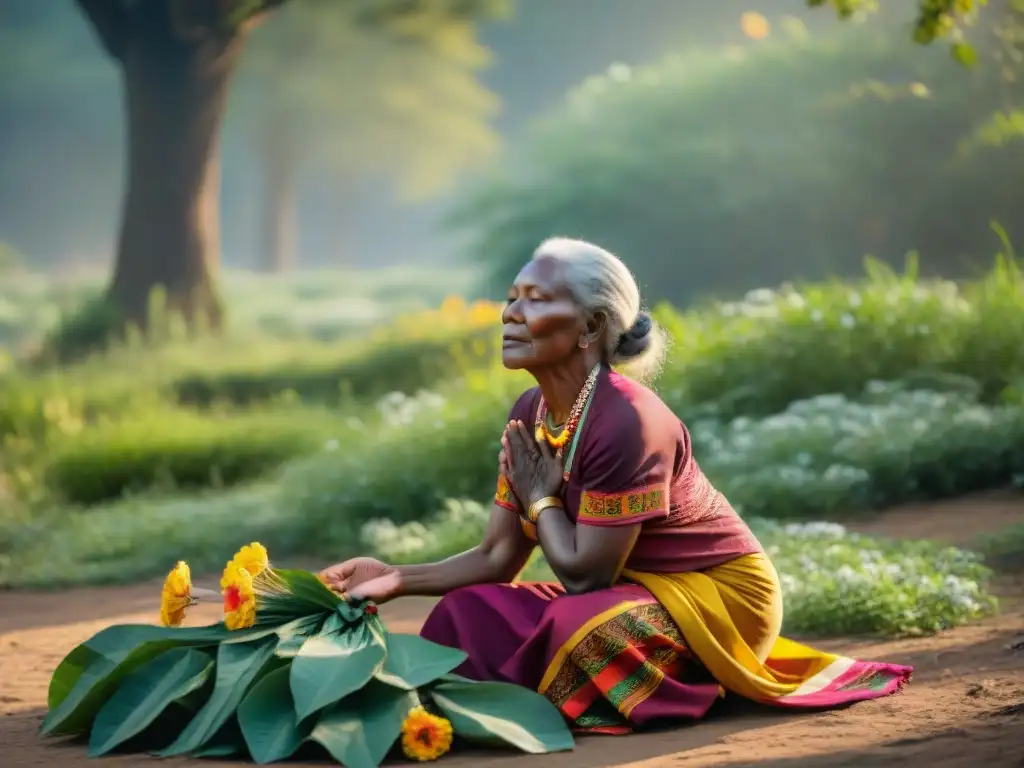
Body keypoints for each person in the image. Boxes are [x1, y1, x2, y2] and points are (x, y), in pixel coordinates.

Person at [320, 237, 912, 734]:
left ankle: (659, 688)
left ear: (591, 326)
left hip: (719, 600)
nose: (510, 314)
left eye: (536, 299)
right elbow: (498, 557)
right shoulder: (530, 412)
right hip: (623, 595)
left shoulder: (628, 420)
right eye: (511, 299)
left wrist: (543, 497)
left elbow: (585, 574)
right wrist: (394, 578)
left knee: (577, 625)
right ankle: (520, 698)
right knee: (470, 611)